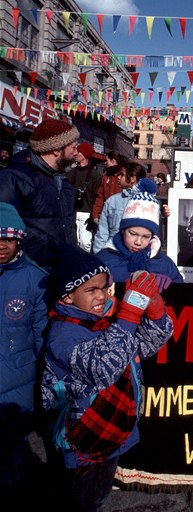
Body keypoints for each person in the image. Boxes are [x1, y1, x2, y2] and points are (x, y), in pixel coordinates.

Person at [40, 244, 173, 511]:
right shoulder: (63, 336)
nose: (102, 295)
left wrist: (155, 309)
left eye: (104, 287)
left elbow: (143, 345)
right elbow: (104, 366)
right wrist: (130, 312)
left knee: (99, 497)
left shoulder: (104, 322)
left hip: (110, 436)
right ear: (66, 297)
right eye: (91, 290)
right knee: (82, 503)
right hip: (82, 445)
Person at [0, 203, 48, 492]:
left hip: (18, 387)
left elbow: (42, 336)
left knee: (11, 457)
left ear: (18, 239)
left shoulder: (35, 278)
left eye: (7, 238)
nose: (1, 245)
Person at [0, 118, 79, 268]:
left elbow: (69, 226)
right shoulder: (14, 177)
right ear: (57, 149)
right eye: (73, 147)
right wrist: (50, 247)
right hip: (28, 270)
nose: (76, 153)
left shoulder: (64, 183)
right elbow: (5, 227)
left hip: (61, 268)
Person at [97, 178, 184, 300]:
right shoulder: (103, 260)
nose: (138, 242)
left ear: (153, 236)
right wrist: (100, 287)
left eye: (145, 237)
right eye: (133, 234)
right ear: (123, 230)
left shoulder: (165, 264)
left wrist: (171, 288)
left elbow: (182, 299)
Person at [92, 161, 146, 254]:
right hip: (113, 252)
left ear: (132, 179)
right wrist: (99, 254)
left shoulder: (147, 203)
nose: (118, 177)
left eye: (122, 175)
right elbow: (103, 231)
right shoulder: (113, 201)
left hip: (138, 255)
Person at [66, 142, 102, 252]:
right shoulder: (71, 172)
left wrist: (95, 214)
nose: (75, 153)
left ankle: (86, 264)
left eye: (78, 151)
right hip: (72, 211)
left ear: (84, 155)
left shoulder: (95, 174)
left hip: (86, 212)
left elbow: (97, 196)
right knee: (73, 242)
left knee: (85, 243)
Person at [91, 149, 128, 228]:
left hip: (122, 216)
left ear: (113, 161)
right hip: (107, 215)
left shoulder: (125, 175)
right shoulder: (106, 176)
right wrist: (95, 215)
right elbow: (100, 196)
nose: (105, 163)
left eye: (107, 160)